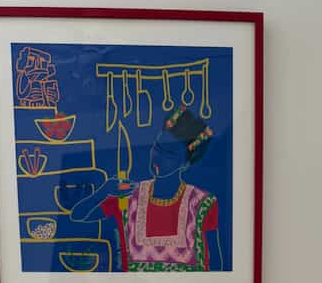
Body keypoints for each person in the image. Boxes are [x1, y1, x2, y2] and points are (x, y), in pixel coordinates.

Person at [71, 107, 222, 271]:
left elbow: (217, 264)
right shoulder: (127, 196)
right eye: (157, 147)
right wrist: (104, 190)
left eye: (169, 154)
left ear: (185, 164)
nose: (158, 157)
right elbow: (78, 215)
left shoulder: (202, 203)